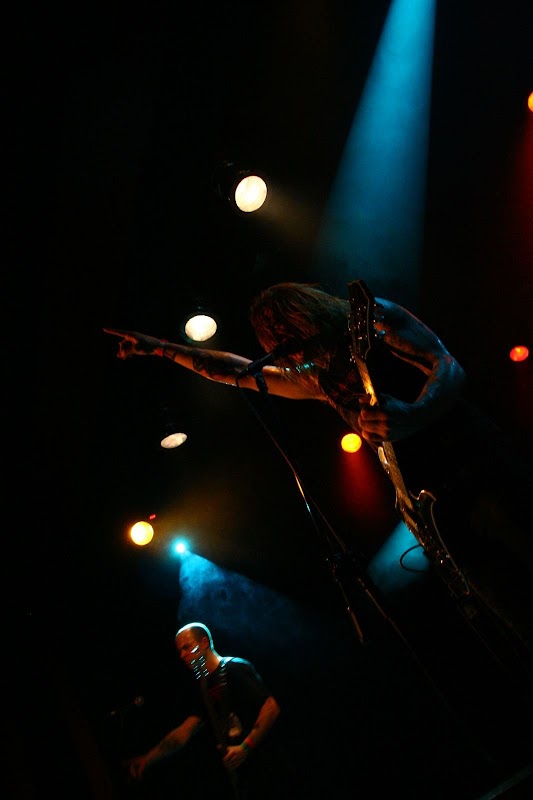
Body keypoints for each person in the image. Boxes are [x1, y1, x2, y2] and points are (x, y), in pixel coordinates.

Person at [104, 281, 533, 665]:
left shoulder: (371, 319)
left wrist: (414, 413)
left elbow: (449, 366)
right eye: (273, 339)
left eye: (286, 329)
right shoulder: (315, 377)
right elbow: (234, 370)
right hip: (433, 505)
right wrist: (161, 348)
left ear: (308, 312)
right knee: (511, 611)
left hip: (476, 466)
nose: (284, 345)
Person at [126, 622, 281, 798]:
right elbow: (184, 732)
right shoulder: (204, 688)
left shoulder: (234, 668)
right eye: (180, 651)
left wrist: (246, 747)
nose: (183, 655)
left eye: (187, 647)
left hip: (269, 768)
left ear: (204, 642)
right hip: (246, 778)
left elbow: (271, 707)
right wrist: (148, 758)